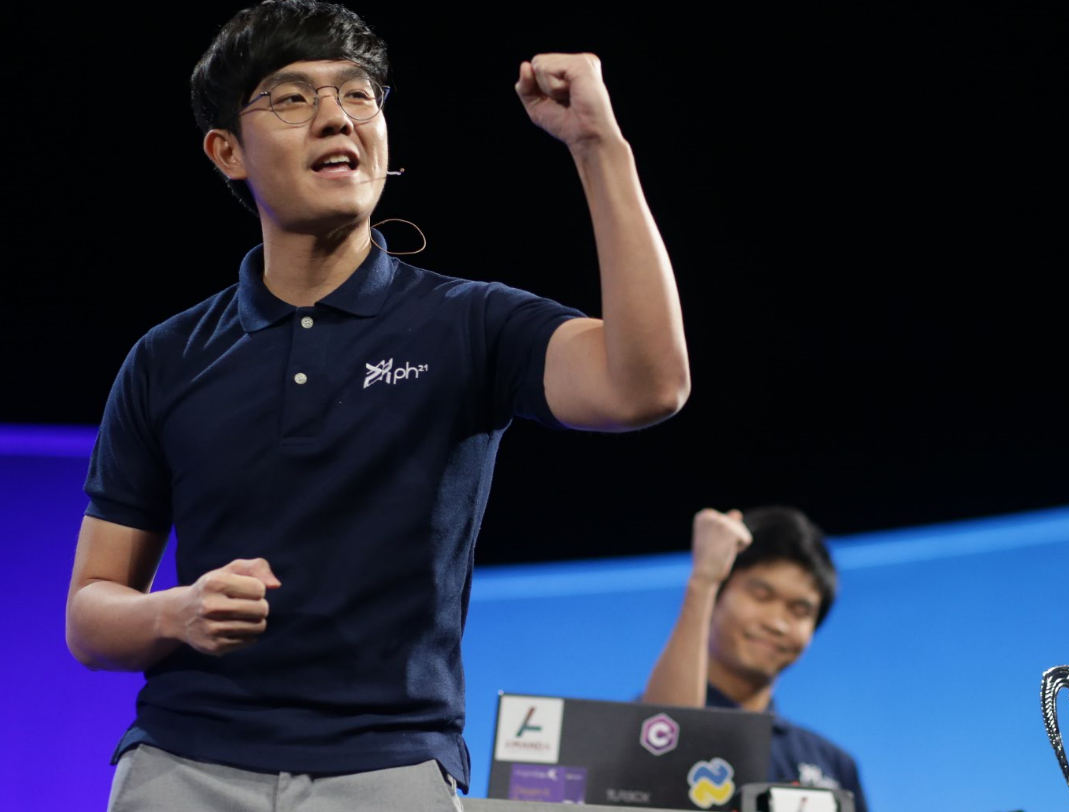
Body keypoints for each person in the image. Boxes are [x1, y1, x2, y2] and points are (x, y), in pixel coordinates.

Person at [64, 2, 689, 809]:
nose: (337, 118)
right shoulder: (167, 358)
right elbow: (91, 615)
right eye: (292, 99)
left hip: (389, 770)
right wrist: (176, 614)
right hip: (183, 763)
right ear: (227, 152)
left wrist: (598, 145)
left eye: (359, 96)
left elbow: (646, 386)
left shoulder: (471, 323)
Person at [644, 506, 868, 811]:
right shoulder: (644, 727)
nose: (777, 623)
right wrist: (703, 581)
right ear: (718, 596)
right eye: (761, 596)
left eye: (800, 611)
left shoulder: (832, 765)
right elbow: (664, 745)